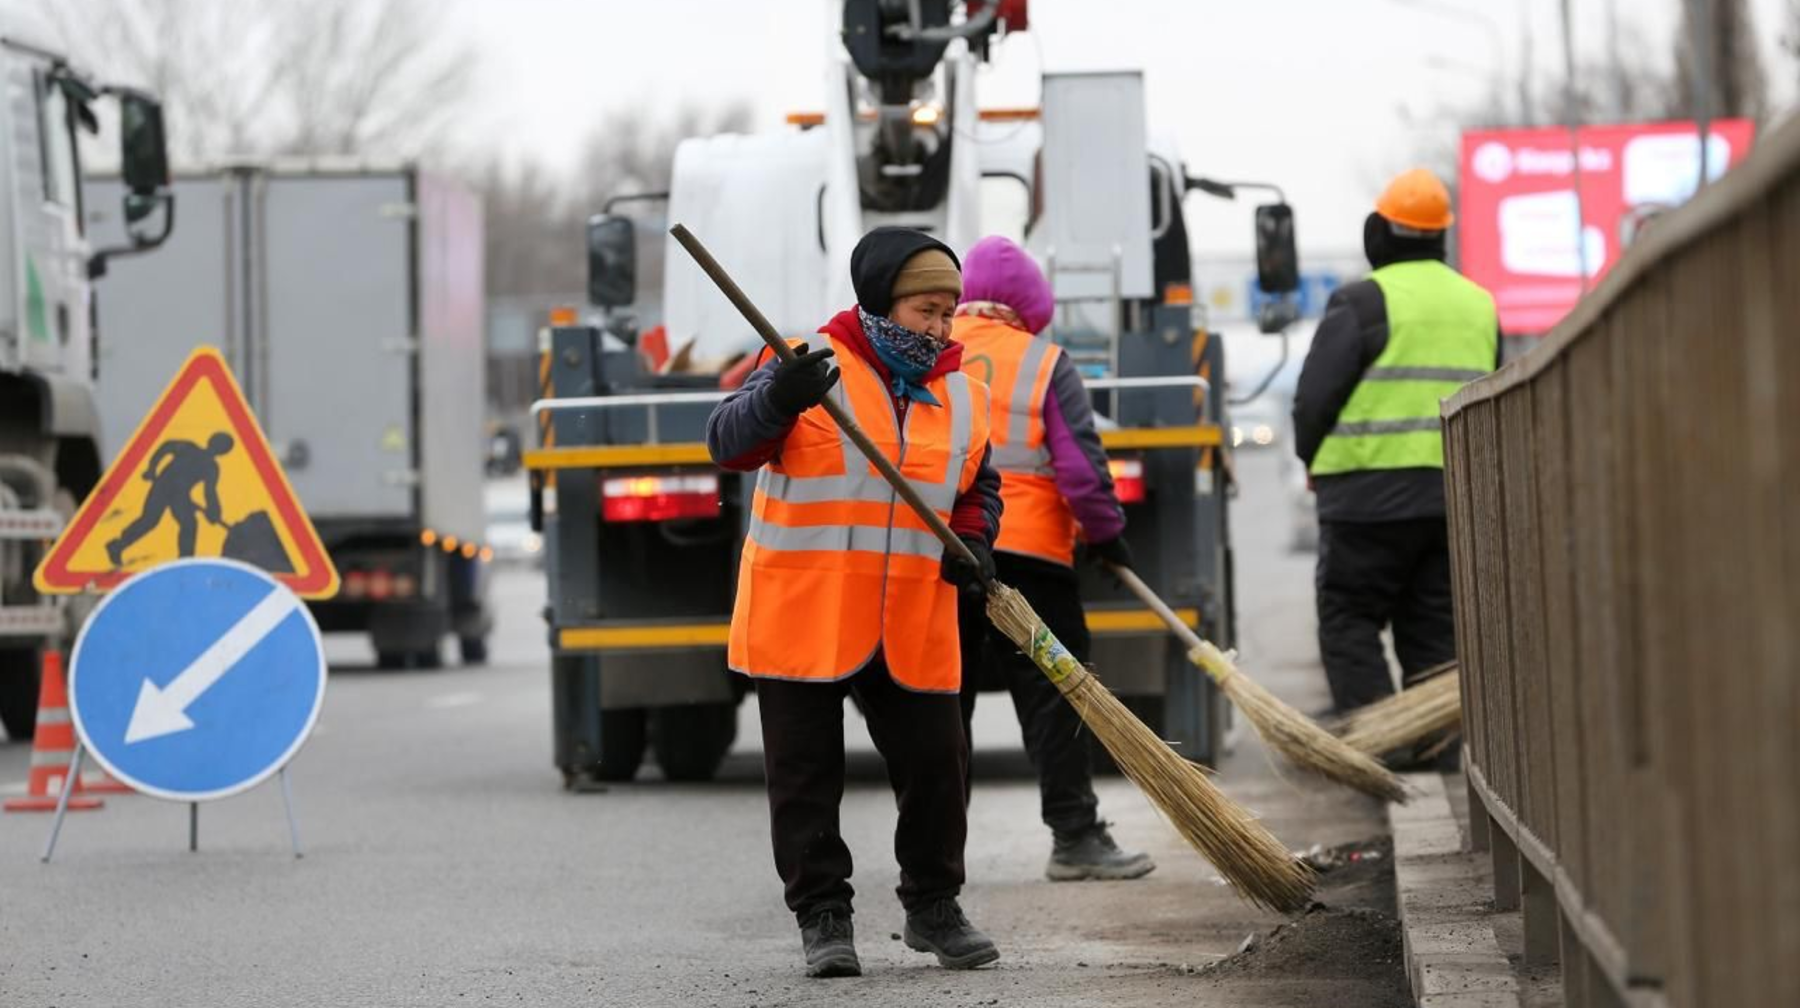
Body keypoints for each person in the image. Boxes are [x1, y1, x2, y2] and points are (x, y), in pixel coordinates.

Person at [706, 227, 1004, 979]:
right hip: (803, 610)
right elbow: (726, 443)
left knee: (939, 765)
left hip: (912, 615)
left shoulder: (965, 391)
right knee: (805, 776)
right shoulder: (804, 363)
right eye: (925, 309)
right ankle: (823, 917)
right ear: (880, 301)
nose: (939, 327)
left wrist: (976, 540)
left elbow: (977, 487)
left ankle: (935, 907)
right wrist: (777, 398)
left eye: (948, 311)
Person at [949, 235, 1154, 882]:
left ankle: (935, 857)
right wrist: (1105, 533)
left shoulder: (929, 352)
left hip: (945, 555)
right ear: (1032, 304)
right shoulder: (1043, 362)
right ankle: (1075, 837)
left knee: (940, 706)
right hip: (1030, 556)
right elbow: (1081, 469)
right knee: (1056, 695)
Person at [1291, 168, 1499, 717]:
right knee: (1433, 630)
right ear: (1441, 235)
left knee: (1349, 618)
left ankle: (1386, 745)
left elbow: (1314, 399)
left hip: (1365, 499)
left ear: (1378, 234)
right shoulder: (1479, 304)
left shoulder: (1362, 302)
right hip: (1450, 498)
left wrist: (1310, 458)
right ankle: (1434, 743)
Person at [106, 432, 235, 565]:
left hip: (180, 495)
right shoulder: (189, 448)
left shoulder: (211, 467)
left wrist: (214, 511)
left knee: (189, 524)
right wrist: (152, 468)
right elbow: (166, 447)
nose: (217, 448)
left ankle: (185, 563)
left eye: (222, 447)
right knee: (150, 520)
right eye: (219, 444)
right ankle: (117, 546)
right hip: (162, 487)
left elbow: (210, 492)